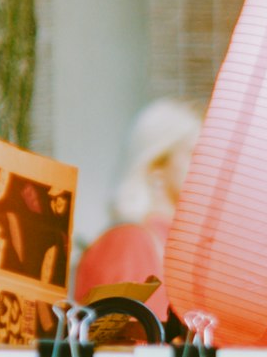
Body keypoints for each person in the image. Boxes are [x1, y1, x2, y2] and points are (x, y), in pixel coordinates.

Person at [72, 95, 197, 301]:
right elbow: (128, 330)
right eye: (194, 154)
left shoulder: (185, 249)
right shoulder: (129, 243)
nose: (209, 165)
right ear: (156, 165)